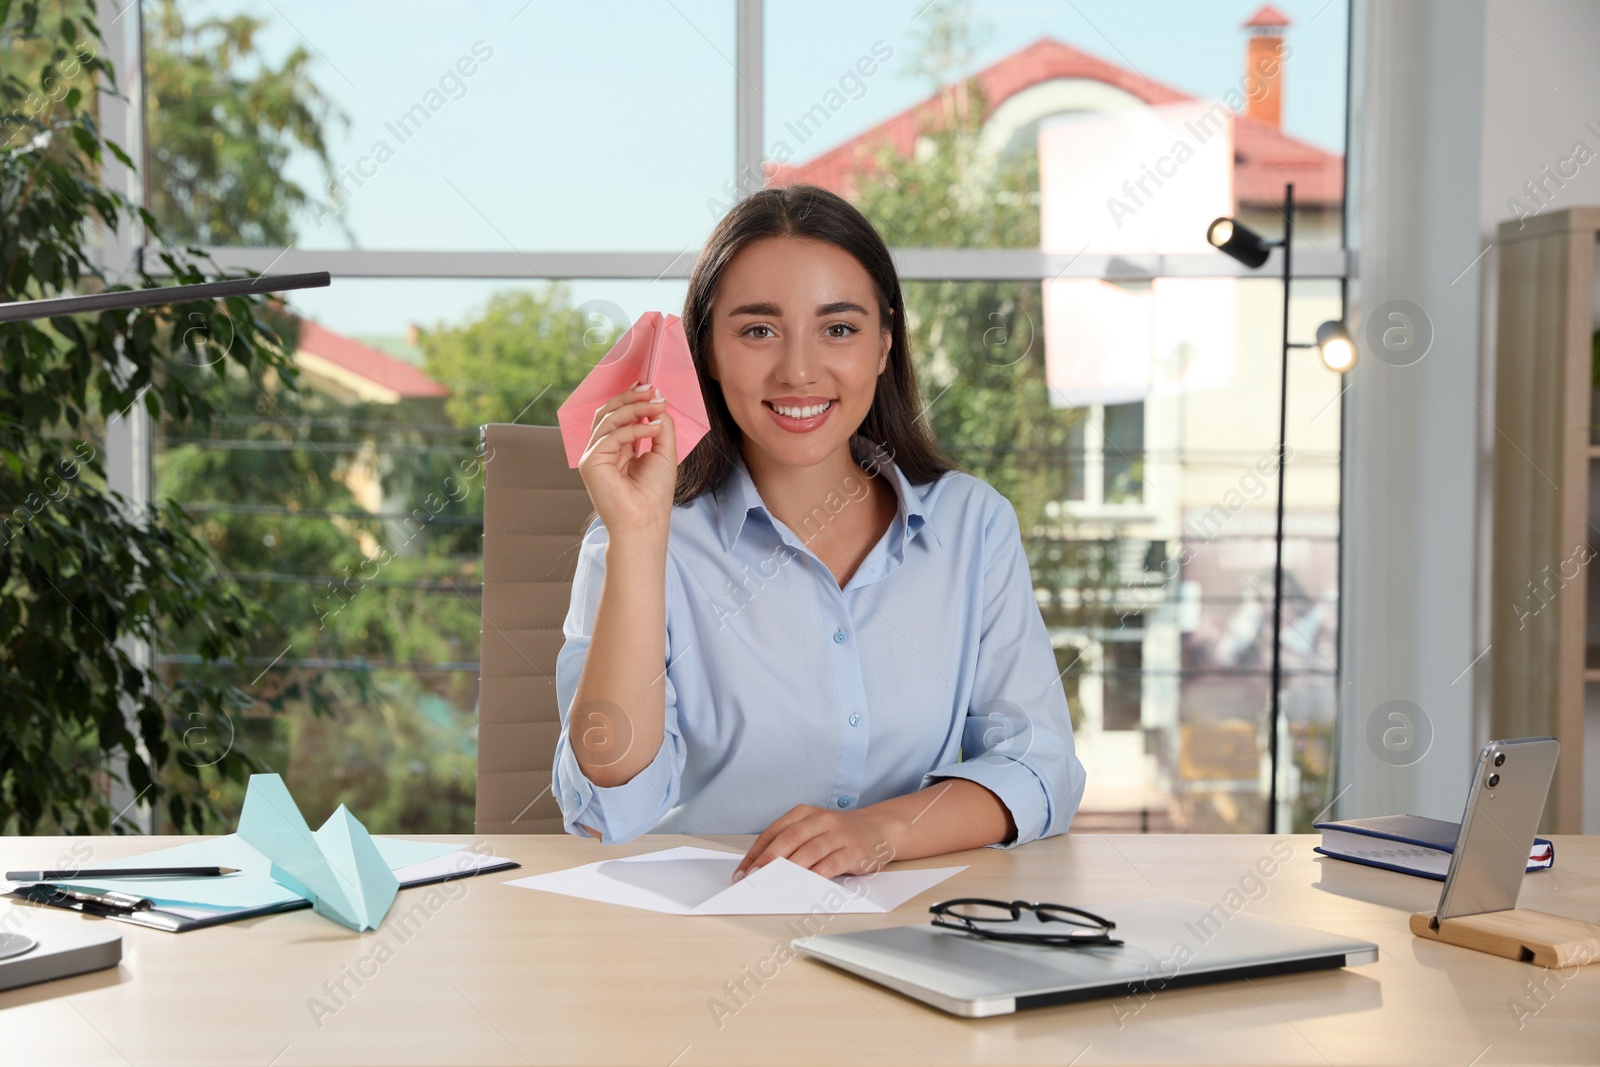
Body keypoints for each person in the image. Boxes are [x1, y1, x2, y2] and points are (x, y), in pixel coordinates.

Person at [553, 183, 1085, 883]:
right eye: (757, 329)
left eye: (838, 328)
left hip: (909, 936)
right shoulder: (633, 542)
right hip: (696, 943)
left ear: (885, 343)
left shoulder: (972, 525)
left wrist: (881, 829)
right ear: (705, 349)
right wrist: (640, 533)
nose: (799, 371)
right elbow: (613, 800)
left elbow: (1038, 762)